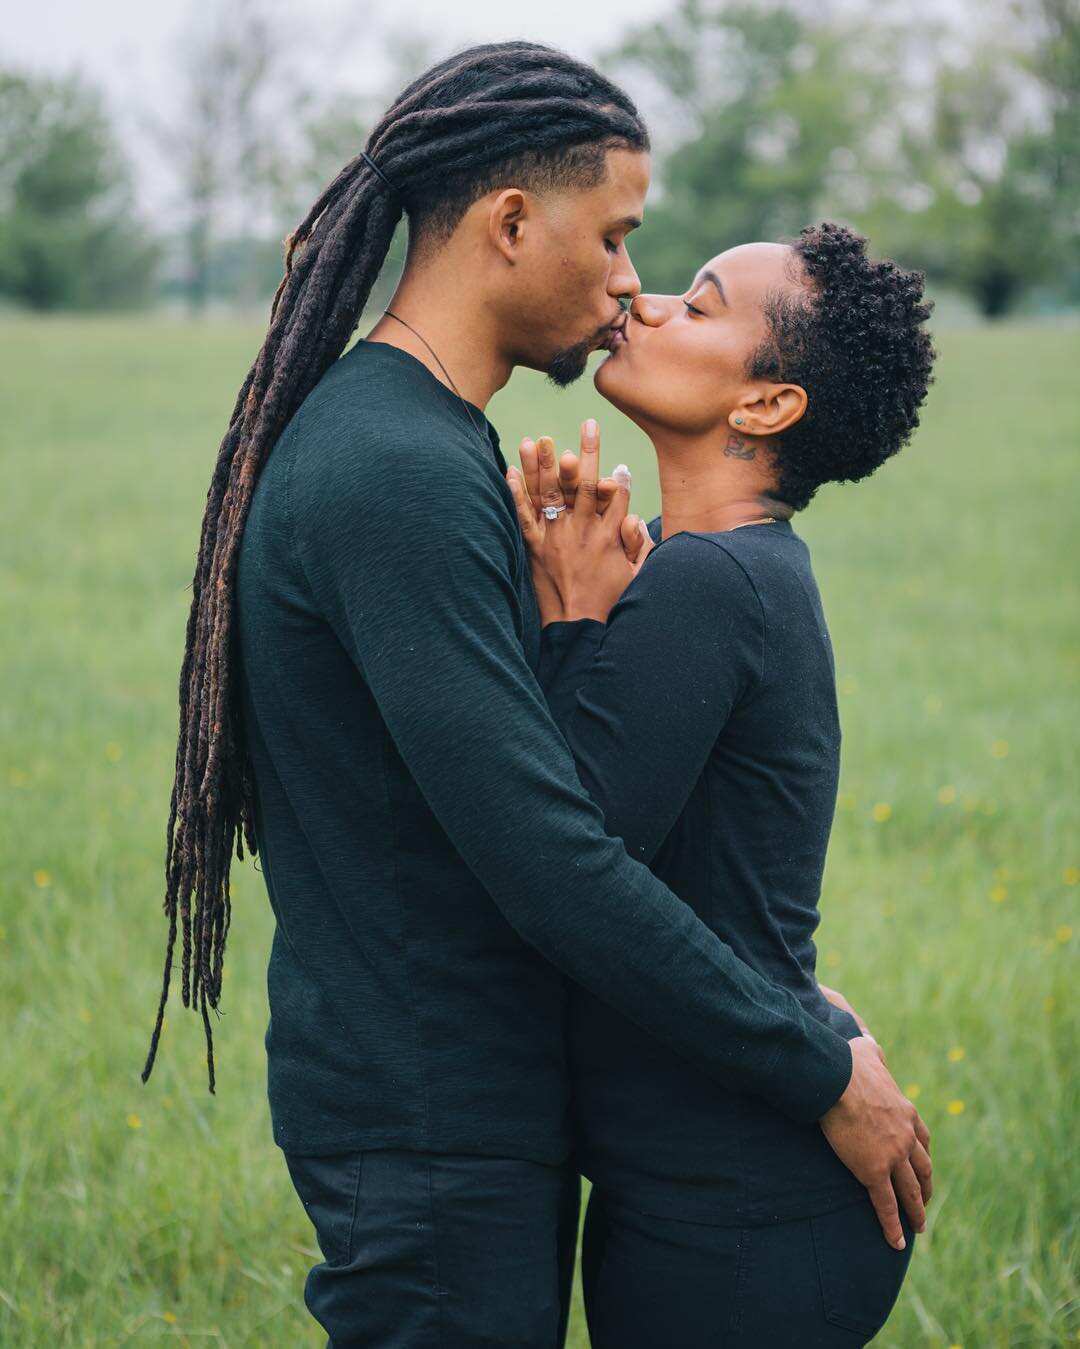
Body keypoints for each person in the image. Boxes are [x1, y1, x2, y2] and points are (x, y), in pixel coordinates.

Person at [140, 40, 931, 1347]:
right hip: (435, 1116)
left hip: (483, 1113)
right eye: (619, 236)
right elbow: (557, 855)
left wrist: (794, 996)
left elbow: (589, 825)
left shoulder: (437, 449)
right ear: (513, 223)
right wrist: (812, 1055)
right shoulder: (399, 467)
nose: (632, 282)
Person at [503, 223, 936, 1347]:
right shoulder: (744, 572)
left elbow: (567, 857)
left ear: (765, 405)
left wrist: (571, 622)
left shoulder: (709, 582)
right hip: (732, 1186)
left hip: (737, 1209)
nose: (644, 301)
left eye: (698, 306)